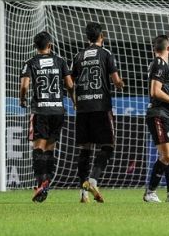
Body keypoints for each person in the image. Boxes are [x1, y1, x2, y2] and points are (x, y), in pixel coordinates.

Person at [71, 22, 125, 203]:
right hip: (101, 107)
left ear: (87, 38)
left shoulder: (78, 56)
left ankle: (83, 193)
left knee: (85, 148)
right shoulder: (106, 54)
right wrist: (120, 84)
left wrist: (75, 101)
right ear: (102, 36)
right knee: (108, 146)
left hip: (83, 107)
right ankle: (93, 180)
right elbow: (116, 80)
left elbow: (70, 83)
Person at [19, 31, 74, 202]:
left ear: (35, 46)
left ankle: (40, 183)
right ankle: (46, 184)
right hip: (58, 110)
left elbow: (24, 86)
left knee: (38, 148)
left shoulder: (30, 63)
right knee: (50, 148)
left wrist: (22, 99)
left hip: (41, 110)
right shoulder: (60, 61)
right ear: (50, 45)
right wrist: (74, 101)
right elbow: (70, 85)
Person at [143, 35, 169, 203]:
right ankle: (150, 192)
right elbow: (155, 91)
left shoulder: (162, 64)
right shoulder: (159, 64)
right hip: (158, 113)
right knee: (166, 155)